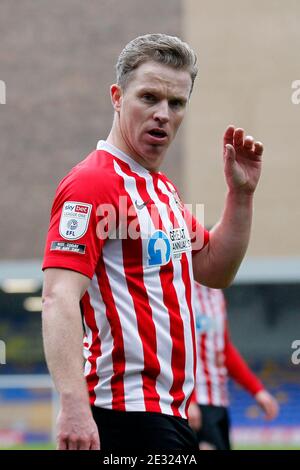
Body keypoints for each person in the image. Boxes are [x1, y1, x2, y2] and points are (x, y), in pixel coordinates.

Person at [42, 33, 264, 451]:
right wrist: (73, 405)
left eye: (176, 103)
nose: (163, 113)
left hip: (169, 413)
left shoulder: (163, 192)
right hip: (122, 413)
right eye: (149, 97)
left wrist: (242, 195)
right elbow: (58, 298)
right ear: (117, 97)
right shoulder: (92, 183)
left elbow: (216, 267)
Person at [188, 282, 279, 450]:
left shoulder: (216, 293)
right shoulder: (183, 287)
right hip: (195, 401)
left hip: (218, 400)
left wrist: (257, 390)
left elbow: (225, 349)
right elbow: (175, 346)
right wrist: (189, 400)